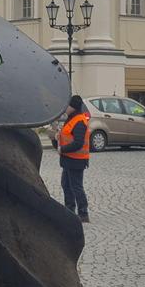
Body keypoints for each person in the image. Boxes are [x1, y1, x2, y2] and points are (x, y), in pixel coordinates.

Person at [55, 94, 91, 223]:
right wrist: (57, 138)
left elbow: (78, 143)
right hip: (68, 159)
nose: (66, 107)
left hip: (77, 160)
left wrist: (62, 149)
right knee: (66, 184)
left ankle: (83, 213)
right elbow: (67, 136)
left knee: (76, 187)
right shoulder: (71, 119)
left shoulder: (79, 121)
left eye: (68, 105)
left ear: (73, 107)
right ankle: (70, 210)